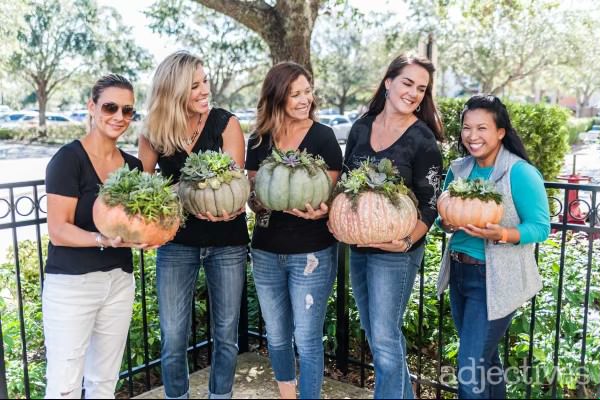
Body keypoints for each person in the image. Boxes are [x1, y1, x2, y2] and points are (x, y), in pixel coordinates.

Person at [137, 50, 248, 399]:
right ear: (172, 92)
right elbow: (145, 188)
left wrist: (230, 207)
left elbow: (233, 184)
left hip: (227, 239)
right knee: (172, 336)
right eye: (194, 86)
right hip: (176, 243)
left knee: (227, 334)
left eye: (205, 82)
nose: (204, 91)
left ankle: (220, 396)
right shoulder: (154, 131)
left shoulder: (226, 123)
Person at [341, 54, 444, 399]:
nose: (414, 93)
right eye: (407, 83)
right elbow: (344, 183)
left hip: (398, 253)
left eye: (421, 88)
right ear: (388, 82)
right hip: (360, 247)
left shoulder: (422, 139)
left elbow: (430, 204)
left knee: (384, 338)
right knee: (377, 335)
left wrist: (405, 241)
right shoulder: (361, 127)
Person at [436, 95, 550, 399]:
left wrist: (502, 233)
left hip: (495, 278)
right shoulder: (459, 170)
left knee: (469, 367)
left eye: (482, 128)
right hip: (460, 274)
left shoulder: (520, 172)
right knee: (486, 362)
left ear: (500, 131)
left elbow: (540, 227)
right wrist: (445, 223)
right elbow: (444, 216)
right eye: (466, 128)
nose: (473, 136)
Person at [43, 74, 148, 398]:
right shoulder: (68, 159)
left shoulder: (133, 166)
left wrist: (148, 236)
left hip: (118, 282)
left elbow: (136, 223)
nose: (119, 117)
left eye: (127, 110)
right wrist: (103, 239)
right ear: (92, 107)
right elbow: (59, 230)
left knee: (104, 381)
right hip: (72, 286)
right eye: (110, 107)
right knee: (65, 385)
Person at [245, 61, 343, 399]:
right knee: (275, 335)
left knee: (306, 337)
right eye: (294, 93)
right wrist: (265, 203)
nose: (304, 99)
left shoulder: (324, 137)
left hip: (312, 253)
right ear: (277, 98)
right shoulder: (259, 140)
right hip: (266, 251)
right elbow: (254, 198)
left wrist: (320, 212)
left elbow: (328, 196)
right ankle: (288, 394)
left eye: (307, 91)